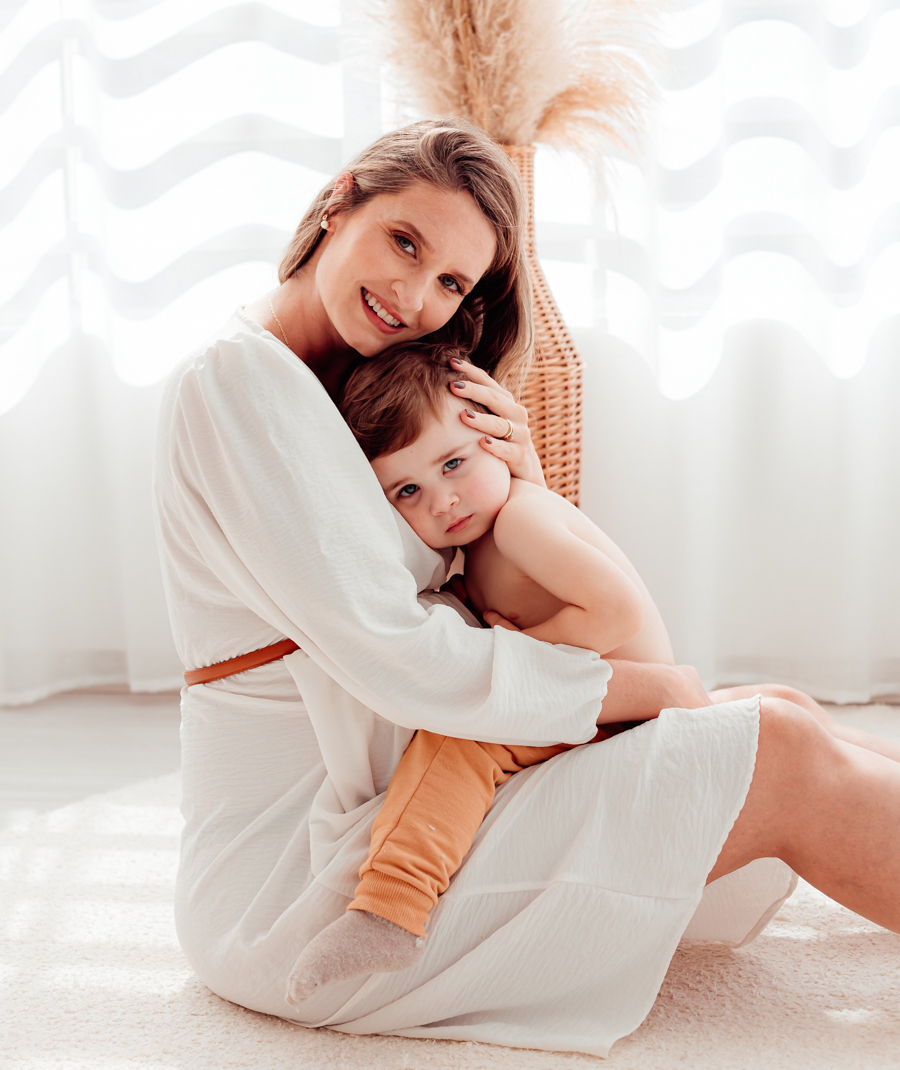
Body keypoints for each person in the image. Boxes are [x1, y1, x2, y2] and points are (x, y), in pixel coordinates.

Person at [154, 117, 900, 1060]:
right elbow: (404, 657)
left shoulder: (355, 387)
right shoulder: (238, 383)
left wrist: (519, 483)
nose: (413, 297)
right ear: (341, 200)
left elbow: (460, 592)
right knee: (777, 751)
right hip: (315, 882)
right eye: (404, 242)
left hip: (412, 784)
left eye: (451, 283)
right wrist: (638, 689)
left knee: (777, 708)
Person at [286, 339, 900, 1001]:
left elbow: (613, 611)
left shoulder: (519, 523)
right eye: (408, 491)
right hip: (625, 704)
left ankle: (390, 906)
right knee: (782, 705)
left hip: (618, 713)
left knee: (456, 746)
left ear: (497, 437)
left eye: (454, 464)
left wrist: (524, 650)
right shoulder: (497, 526)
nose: (442, 501)